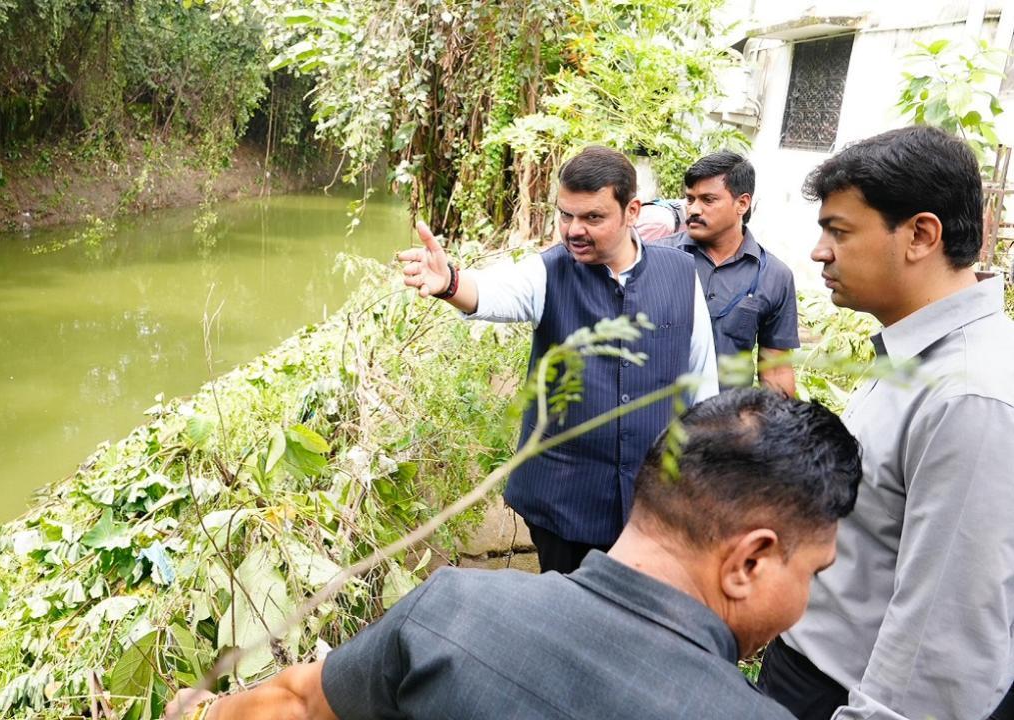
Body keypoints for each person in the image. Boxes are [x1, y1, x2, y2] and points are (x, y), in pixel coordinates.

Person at [166, 389, 863, 720]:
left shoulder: (454, 606)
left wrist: (200, 712)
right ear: (748, 561)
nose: (806, 605)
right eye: (812, 573)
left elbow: (292, 702)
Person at [757, 125, 1014, 720]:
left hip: (845, 692)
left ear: (921, 235)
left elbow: (944, 637)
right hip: (809, 660)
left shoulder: (970, 395)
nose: (820, 251)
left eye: (839, 231)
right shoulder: (916, 353)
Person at [395, 145, 719, 574]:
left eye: (593, 217)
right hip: (563, 504)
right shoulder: (548, 272)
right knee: (563, 616)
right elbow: (496, 293)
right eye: (566, 215)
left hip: (650, 506)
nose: (574, 230)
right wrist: (451, 282)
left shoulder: (680, 274)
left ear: (632, 211)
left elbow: (701, 382)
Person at [661, 152, 799, 395]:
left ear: (742, 204)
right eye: (690, 199)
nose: (693, 209)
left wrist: (782, 427)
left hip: (724, 423)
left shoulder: (774, 276)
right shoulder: (659, 258)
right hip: (657, 416)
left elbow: (776, 369)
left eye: (708, 200)